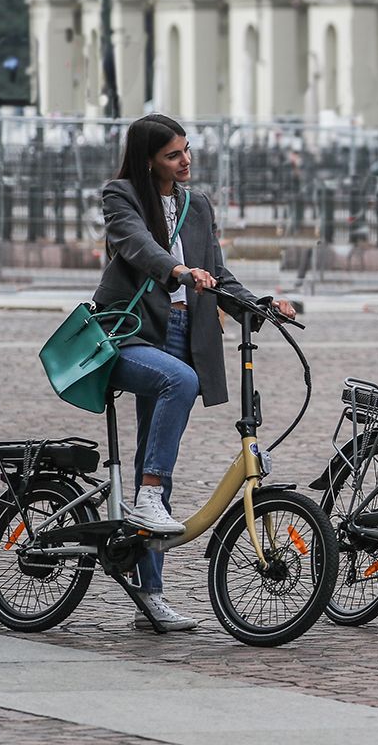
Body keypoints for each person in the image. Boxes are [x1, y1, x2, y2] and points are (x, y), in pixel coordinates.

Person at [94, 114, 296, 632]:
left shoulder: (196, 204)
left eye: (187, 150)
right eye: (173, 155)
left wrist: (262, 303)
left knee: (155, 460)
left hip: (187, 332)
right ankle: (145, 501)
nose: (186, 161)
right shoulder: (121, 196)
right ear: (148, 161)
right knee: (175, 389)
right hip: (131, 333)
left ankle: (150, 595)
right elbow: (138, 245)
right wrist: (178, 271)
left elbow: (219, 271)